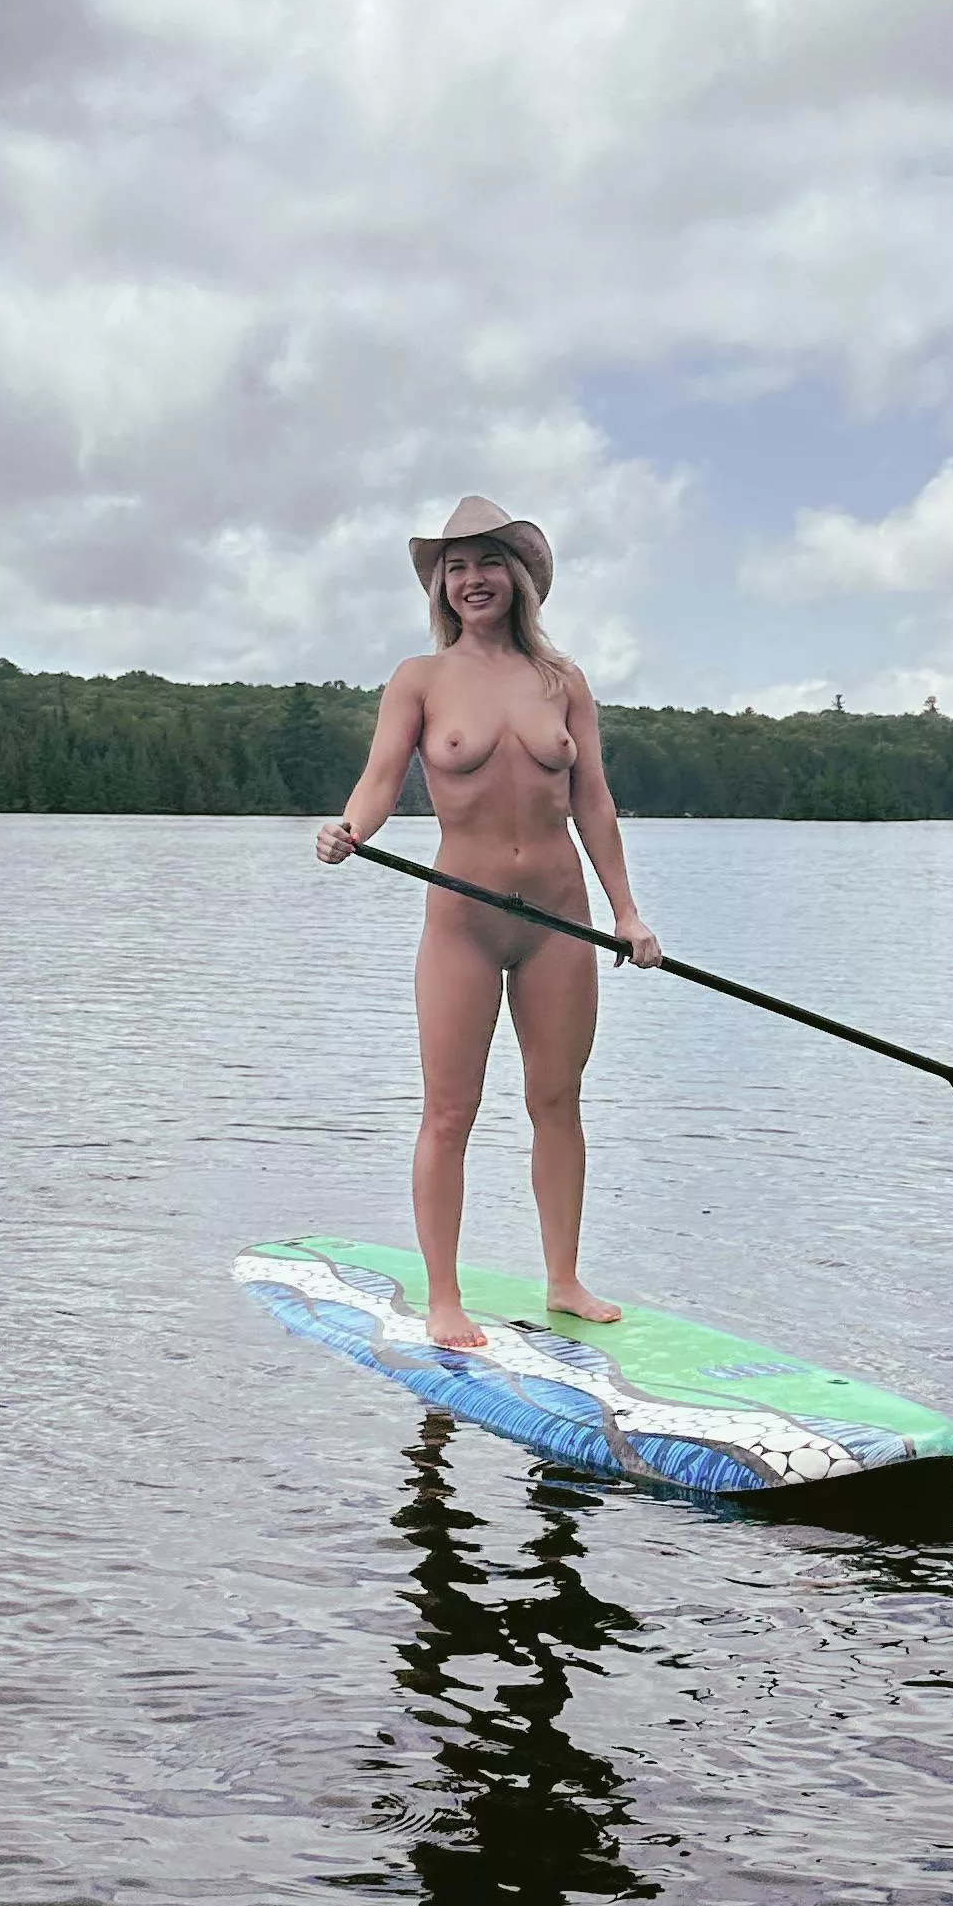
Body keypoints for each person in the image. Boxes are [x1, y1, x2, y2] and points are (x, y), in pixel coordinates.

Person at [317, 496, 661, 1349]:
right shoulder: (419, 680)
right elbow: (380, 779)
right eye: (456, 566)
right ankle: (443, 1298)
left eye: (488, 562)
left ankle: (565, 1280)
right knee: (448, 1112)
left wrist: (627, 911)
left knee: (557, 1100)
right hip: (463, 920)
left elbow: (594, 803)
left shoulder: (563, 683)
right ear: (441, 585)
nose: (473, 578)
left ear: (519, 577)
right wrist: (350, 830)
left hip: (561, 922)